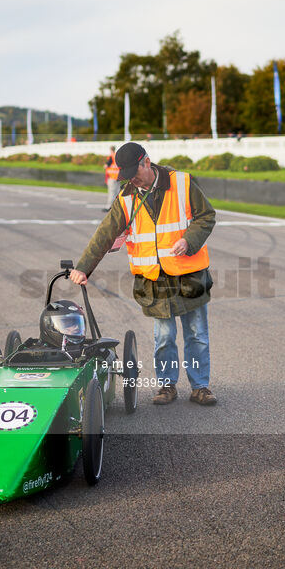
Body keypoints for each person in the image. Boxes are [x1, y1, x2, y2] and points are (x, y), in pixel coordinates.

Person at [69, 142, 218, 406]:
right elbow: (105, 233)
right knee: (164, 337)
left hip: (190, 273)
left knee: (197, 334)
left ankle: (200, 387)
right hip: (154, 279)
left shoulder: (182, 183)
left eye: (134, 172)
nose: (132, 180)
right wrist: (84, 267)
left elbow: (206, 216)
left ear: (146, 162)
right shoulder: (126, 197)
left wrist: (188, 240)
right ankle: (166, 386)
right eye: (125, 175)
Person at [103, 145, 119, 211]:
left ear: (110, 150)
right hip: (118, 177)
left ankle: (109, 206)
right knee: (117, 193)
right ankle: (117, 207)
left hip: (112, 177)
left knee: (111, 193)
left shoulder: (111, 157)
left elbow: (106, 166)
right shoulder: (117, 157)